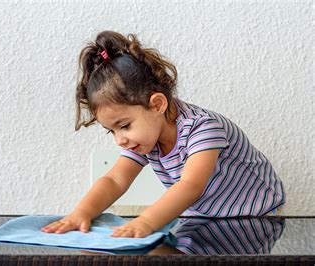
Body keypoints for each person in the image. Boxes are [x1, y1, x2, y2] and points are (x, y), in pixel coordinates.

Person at [41, 30, 285, 238]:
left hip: (255, 218)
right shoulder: (147, 139)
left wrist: (146, 222)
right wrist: (81, 213)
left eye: (124, 125)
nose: (120, 140)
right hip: (203, 219)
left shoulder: (203, 128)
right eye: (111, 131)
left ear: (157, 104)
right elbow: (115, 180)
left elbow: (190, 186)